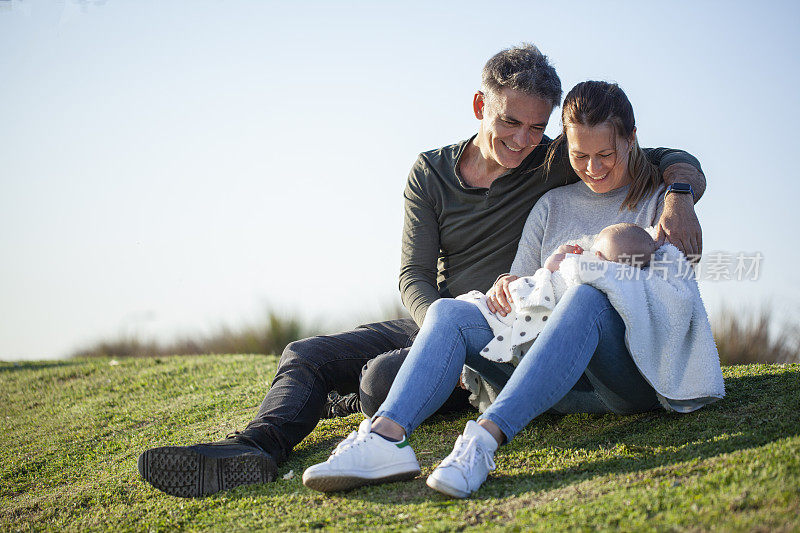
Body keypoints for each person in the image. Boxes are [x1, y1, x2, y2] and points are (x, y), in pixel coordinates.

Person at [137, 46, 706, 498]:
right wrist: (454, 320)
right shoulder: (433, 173)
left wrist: (679, 194)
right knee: (307, 354)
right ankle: (259, 447)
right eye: (513, 122)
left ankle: (442, 425)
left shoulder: (555, 160)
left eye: (538, 129)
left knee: (379, 379)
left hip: (536, 330)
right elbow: (413, 275)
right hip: (453, 316)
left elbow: (651, 157)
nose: (524, 140)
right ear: (481, 107)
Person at [301, 80, 724, 498]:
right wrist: (506, 286)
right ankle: (384, 441)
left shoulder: (662, 203)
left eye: (606, 155)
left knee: (588, 295)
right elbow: (521, 293)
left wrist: (665, 210)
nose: (593, 168)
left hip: (626, 378)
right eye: (580, 156)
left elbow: (670, 294)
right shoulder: (550, 205)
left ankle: (481, 443)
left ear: (632, 140)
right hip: (550, 383)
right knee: (450, 313)